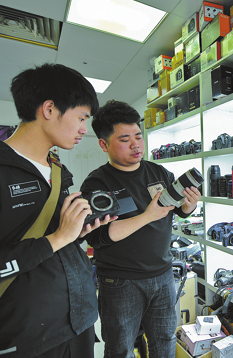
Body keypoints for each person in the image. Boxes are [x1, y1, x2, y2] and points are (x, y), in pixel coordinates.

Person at [0, 63, 112, 358]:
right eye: (81, 117)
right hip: (22, 340)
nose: (83, 129)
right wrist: (57, 239)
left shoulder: (57, 169)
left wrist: (75, 233)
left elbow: (50, 239)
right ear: (49, 109)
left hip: (80, 322)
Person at [81, 100, 201, 358]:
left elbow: (178, 211)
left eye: (138, 136)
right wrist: (147, 216)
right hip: (120, 282)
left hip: (163, 275)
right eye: (125, 139)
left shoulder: (159, 172)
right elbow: (97, 237)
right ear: (103, 144)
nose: (136, 145)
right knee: (120, 348)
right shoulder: (97, 183)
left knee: (165, 341)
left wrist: (190, 205)